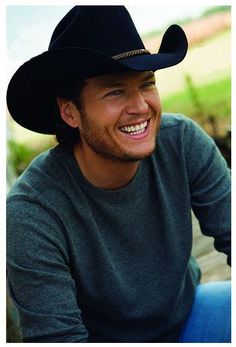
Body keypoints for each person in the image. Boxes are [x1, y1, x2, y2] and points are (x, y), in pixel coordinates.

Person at [6, 5, 231, 343]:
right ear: (70, 111)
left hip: (189, 316)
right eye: (114, 91)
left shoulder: (181, 141)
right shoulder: (32, 212)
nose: (141, 106)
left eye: (147, 84)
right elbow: (59, 338)